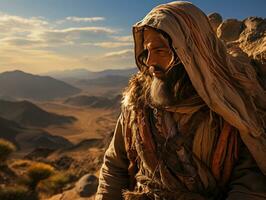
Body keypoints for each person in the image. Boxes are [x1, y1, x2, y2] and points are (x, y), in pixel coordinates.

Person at [96, 1, 266, 199]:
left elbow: (251, 181)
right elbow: (114, 166)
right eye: (147, 51)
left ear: (189, 53)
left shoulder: (230, 104)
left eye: (160, 51)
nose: (150, 62)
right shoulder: (137, 103)